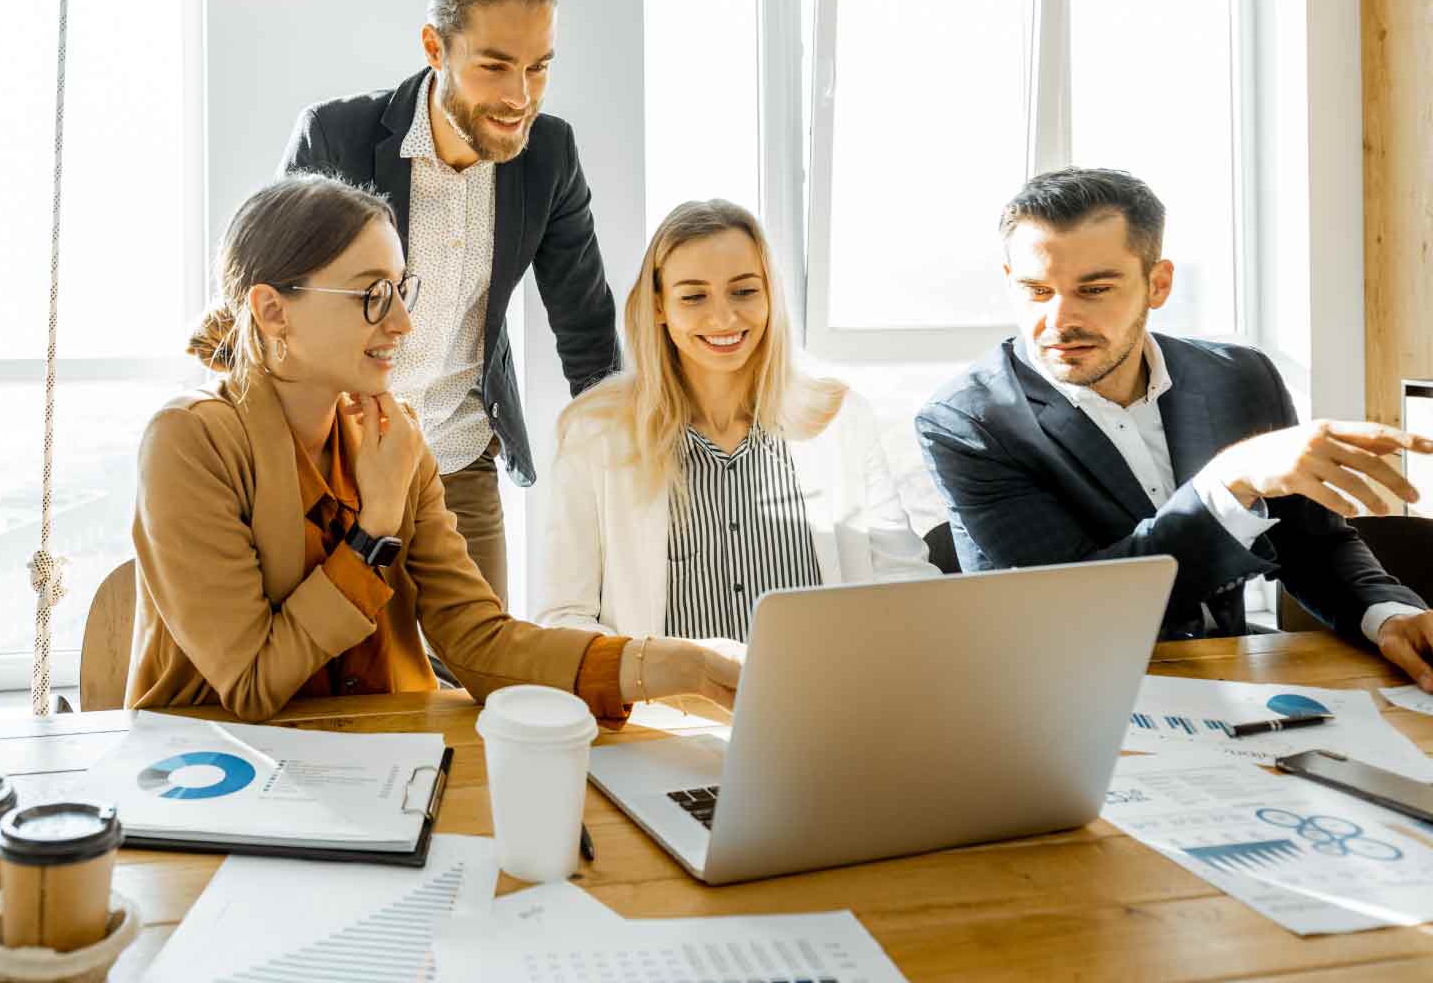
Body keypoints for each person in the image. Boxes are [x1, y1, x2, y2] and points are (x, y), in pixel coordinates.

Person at [125, 173, 737, 722]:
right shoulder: (190, 441)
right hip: (215, 783)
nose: (402, 323)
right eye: (371, 294)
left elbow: (479, 643)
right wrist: (374, 530)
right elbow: (254, 681)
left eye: (400, 290)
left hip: (380, 762)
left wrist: (675, 667)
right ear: (272, 310)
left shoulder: (397, 440)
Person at [916, 167, 1433, 690]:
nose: (1058, 320)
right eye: (1036, 290)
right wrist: (1231, 481)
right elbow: (1074, 613)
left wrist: (1388, 616)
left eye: (1093, 289)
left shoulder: (1239, 377)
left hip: (1232, 686)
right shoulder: (969, 423)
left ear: (1158, 283)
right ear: (1010, 282)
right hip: (1068, 701)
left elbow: (1309, 543)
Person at [279, 0, 619, 605]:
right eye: (494, 66)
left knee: (479, 681)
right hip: (332, 461)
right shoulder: (335, 138)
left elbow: (589, 333)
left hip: (459, 459)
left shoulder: (550, 156)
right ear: (436, 47)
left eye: (539, 68)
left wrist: (629, 478)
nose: (520, 97)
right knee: (335, 682)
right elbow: (265, 313)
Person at [537, 200, 937, 647]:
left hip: (823, 703)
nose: (724, 317)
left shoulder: (841, 419)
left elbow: (904, 583)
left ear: (770, 295)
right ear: (658, 306)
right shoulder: (595, 432)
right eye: (693, 296)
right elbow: (565, 617)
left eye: (744, 291)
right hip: (670, 712)